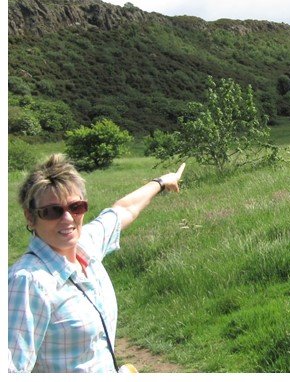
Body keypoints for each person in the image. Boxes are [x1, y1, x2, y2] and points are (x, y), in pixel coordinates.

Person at [8, 153, 186, 372]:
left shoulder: (86, 245)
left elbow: (124, 210)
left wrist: (161, 182)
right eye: (52, 211)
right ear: (30, 216)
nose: (67, 218)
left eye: (76, 207)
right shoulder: (28, 281)